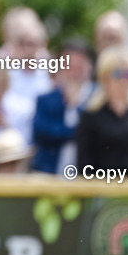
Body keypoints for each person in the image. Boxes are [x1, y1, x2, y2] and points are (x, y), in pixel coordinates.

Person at [31, 40, 94, 174]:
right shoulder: (45, 100)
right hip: (48, 176)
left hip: (85, 179)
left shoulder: (96, 100)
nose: (74, 74)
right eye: (70, 67)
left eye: (79, 68)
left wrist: (76, 107)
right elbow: (42, 133)